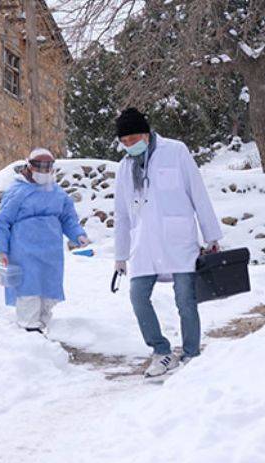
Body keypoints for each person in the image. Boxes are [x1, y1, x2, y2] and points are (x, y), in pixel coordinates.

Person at [112, 108, 223, 377]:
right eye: (124, 142)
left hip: (179, 241)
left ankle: (191, 353)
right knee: (138, 296)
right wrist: (120, 256)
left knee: (185, 300)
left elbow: (197, 193)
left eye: (133, 139)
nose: (129, 146)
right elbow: (121, 215)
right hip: (144, 245)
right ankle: (161, 351)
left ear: (146, 134)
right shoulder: (125, 168)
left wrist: (211, 236)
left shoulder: (175, 151)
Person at [0, 148, 91, 334]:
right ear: (29, 167)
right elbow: (2, 223)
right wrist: (1, 250)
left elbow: (68, 218)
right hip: (24, 251)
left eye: (48, 169)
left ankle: (43, 328)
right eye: (40, 168)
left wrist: (78, 234)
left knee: (48, 291)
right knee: (28, 290)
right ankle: (29, 329)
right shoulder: (17, 192)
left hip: (51, 251)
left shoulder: (57, 193)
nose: (44, 173)